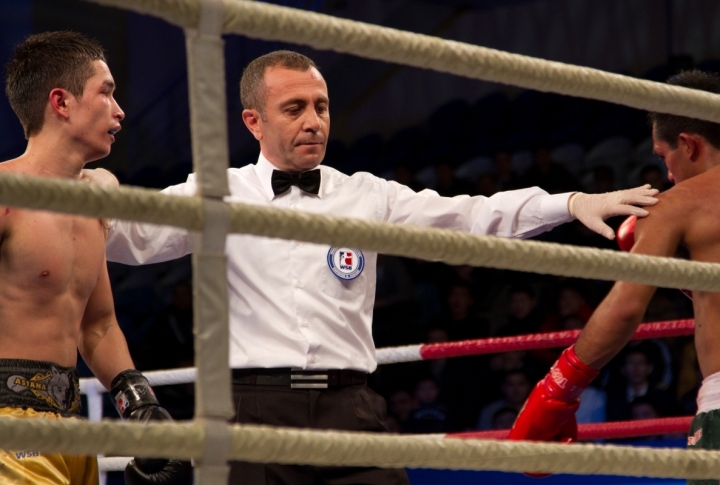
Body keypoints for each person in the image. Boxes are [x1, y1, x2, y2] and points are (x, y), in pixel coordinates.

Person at [105, 50, 658, 484]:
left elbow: (469, 216)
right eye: (293, 109)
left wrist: (569, 203)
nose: (313, 121)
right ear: (254, 121)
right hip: (251, 408)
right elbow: (132, 239)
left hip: (352, 405)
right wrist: (76, 186)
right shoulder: (215, 193)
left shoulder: (363, 195)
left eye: (320, 106)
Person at [508, 70, 720, 485]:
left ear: (689, 144)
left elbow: (625, 308)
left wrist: (557, 387)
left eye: (663, 156)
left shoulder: (675, 205)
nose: (669, 173)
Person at [1, 31, 189, 485]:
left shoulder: (93, 207)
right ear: (61, 102)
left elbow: (97, 325)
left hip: (71, 424)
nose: (120, 110)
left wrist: (139, 404)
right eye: (105, 92)